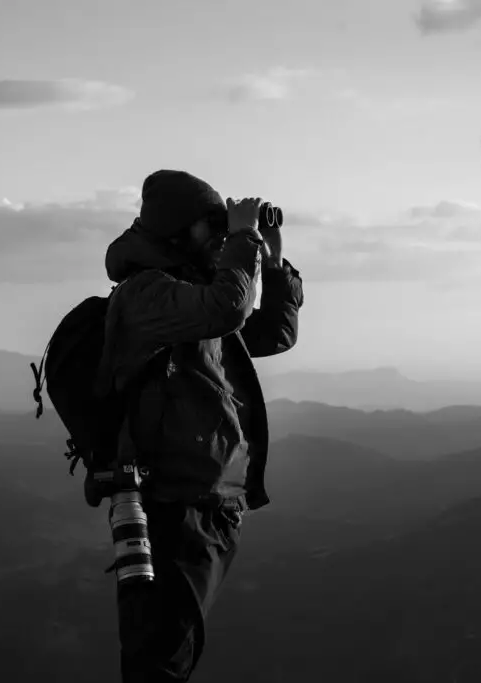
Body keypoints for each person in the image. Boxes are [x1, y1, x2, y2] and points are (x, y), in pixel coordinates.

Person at [95, 169, 304, 682]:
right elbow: (229, 309)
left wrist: (271, 265)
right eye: (210, 226)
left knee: (171, 652)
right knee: (162, 658)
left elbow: (273, 335)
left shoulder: (192, 297)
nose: (218, 237)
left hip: (208, 505)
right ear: (178, 230)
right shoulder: (146, 294)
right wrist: (241, 241)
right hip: (173, 506)